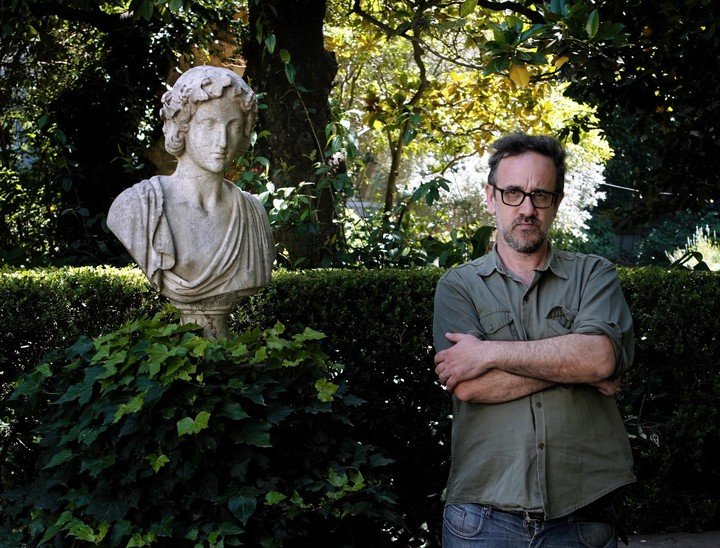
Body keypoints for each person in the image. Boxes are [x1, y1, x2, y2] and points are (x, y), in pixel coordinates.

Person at [433, 133, 634, 547]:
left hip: (583, 514)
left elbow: (598, 359)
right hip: (482, 517)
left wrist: (487, 352)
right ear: (490, 197)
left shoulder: (594, 274)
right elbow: (470, 385)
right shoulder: (458, 286)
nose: (527, 208)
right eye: (513, 193)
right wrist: (573, 364)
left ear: (556, 203)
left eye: (540, 195)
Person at [108, 66, 275, 311]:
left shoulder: (253, 214)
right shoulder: (136, 207)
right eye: (209, 124)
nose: (222, 141)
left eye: (233, 126)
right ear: (181, 126)